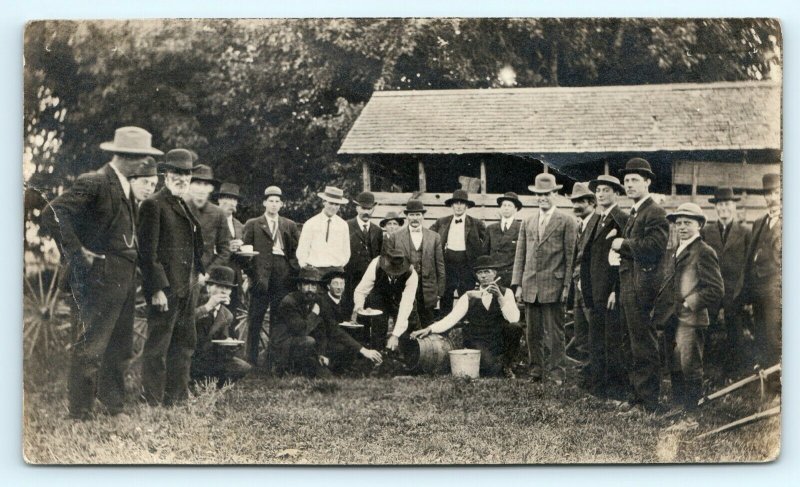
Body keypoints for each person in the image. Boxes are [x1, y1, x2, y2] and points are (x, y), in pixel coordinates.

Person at [47, 126, 163, 419]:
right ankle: (80, 412)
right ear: (124, 156)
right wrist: (78, 253)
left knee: (119, 346)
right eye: (141, 158)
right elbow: (54, 212)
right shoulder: (95, 182)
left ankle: (113, 404)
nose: (144, 164)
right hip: (97, 279)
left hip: (122, 280)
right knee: (91, 345)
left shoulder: (125, 187)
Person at [138, 148, 205, 407]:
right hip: (166, 288)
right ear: (166, 174)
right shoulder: (153, 204)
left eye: (187, 173)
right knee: (158, 345)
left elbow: (192, 243)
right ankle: (152, 400)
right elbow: (147, 253)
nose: (182, 178)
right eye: (177, 172)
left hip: (186, 286)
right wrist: (157, 289)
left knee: (185, 343)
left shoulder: (182, 204)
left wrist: (200, 270)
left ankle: (177, 398)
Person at [610, 158, 669, 413]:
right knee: (630, 344)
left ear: (647, 182)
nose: (629, 184)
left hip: (642, 288)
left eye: (635, 180)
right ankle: (636, 398)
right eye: (626, 181)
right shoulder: (636, 211)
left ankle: (648, 403)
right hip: (629, 286)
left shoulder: (654, 212)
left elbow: (654, 249)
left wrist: (621, 245)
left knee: (643, 345)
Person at [652, 203, 724, 411]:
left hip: (691, 320)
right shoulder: (676, 250)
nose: (682, 227)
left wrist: (688, 303)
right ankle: (678, 407)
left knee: (690, 366)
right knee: (675, 365)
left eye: (688, 222)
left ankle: (691, 413)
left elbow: (715, 289)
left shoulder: (704, 251)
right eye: (678, 223)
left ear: (699, 225)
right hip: (672, 318)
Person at [512, 173, 577, 385]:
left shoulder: (566, 221)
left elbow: (570, 257)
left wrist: (566, 285)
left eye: (547, 194)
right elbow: (520, 255)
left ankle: (557, 374)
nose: (543, 198)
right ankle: (536, 372)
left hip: (554, 285)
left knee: (556, 334)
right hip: (530, 285)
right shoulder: (528, 221)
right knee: (533, 333)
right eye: (539, 195)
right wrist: (518, 284)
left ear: (555, 194)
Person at [412, 256, 522, 378]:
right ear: (476, 276)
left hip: (498, 337)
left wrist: (500, 298)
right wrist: (429, 329)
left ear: (495, 273)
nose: (483, 276)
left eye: (487, 271)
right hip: (477, 338)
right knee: (490, 370)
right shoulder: (468, 296)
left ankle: (508, 363)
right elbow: (451, 318)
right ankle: (494, 365)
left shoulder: (506, 293)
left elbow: (514, 319)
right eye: (480, 272)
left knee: (515, 328)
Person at [272, 268, 382, 377]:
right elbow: (301, 330)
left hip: (309, 346)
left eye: (313, 286)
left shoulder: (317, 300)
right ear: (299, 286)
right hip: (284, 345)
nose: (310, 289)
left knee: (328, 370)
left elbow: (331, 328)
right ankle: (285, 369)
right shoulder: (289, 302)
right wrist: (314, 314)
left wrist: (362, 350)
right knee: (309, 342)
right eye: (306, 285)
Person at [242, 185, 301, 367]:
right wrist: (253, 275)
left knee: (278, 319)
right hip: (261, 278)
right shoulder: (253, 224)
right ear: (264, 203)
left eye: (277, 202)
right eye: (271, 201)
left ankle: (272, 360)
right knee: (255, 319)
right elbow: (245, 252)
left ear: (281, 204)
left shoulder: (289, 225)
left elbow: (296, 252)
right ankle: (250, 361)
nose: (274, 205)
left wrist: (291, 272)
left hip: (282, 279)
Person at [584, 175, 630, 399]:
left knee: (612, 341)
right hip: (594, 288)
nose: (601, 194)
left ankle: (615, 390)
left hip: (610, 291)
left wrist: (616, 289)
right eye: (598, 190)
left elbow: (624, 259)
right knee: (596, 339)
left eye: (606, 190)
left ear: (617, 194)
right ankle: (597, 387)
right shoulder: (595, 219)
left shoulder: (621, 219)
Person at [700, 187, 751, 376]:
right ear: (716, 207)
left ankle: (734, 373)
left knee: (735, 333)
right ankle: (702, 371)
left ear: (734, 206)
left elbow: (748, 264)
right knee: (704, 328)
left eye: (728, 204)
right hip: (711, 289)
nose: (724, 208)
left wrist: (744, 292)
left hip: (734, 291)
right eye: (720, 204)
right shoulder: (706, 231)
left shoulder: (745, 232)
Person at [740, 173, 782, 370]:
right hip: (758, 289)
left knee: (775, 334)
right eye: (767, 193)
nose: (771, 198)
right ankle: (765, 375)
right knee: (761, 333)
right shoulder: (759, 222)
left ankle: (778, 383)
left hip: (777, 290)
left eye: (775, 192)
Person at [383, 199, 445, 326]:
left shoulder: (434, 237)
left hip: (427, 289)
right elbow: (389, 266)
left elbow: (440, 265)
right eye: (411, 215)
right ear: (406, 216)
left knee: (427, 323)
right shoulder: (396, 236)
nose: (415, 218)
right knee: (403, 322)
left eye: (418, 214)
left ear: (423, 216)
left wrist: (440, 291)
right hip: (403, 286)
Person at [190, 266, 252, 387]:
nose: (224, 291)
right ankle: (193, 383)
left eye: (228, 288)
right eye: (218, 286)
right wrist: (208, 306)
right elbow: (185, 321)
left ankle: (210, 386)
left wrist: (229, 344)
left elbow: (222, 344)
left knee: (242, 367)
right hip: (190, 355)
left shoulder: (227, 314)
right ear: (208, 287)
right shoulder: (196, 302)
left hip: (210, 357)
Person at [351, 248, 421, 352]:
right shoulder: (376, 264)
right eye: (390, 271)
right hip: (380, 297)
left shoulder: (412, 274)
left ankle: (406, 359)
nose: (393, 275)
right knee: (378, 329)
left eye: (397, 272)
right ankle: (378, 358)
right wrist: (359, 307)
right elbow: (361, 291)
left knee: (410, 330)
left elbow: (406, 306)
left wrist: (395, 335)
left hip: (402, 300)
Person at [430, 189, 486, 316]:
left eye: (462, 203)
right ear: (452, 205)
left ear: (466, 206)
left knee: (466, 294)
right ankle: (445, 324)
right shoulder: (442, 222)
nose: (459, 206)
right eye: (456, 203)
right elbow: (429, 236)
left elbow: (486, 242)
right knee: (446, 294)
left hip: (467, 264)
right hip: (448, 264)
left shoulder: (476, 223)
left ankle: (466, 323)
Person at [318, 268, 384, 372]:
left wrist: (363, 313)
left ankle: (363, 365)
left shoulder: (344, 300)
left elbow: (349, 318)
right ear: (328, 286)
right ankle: (333, 365)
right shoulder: (323, 302)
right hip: (326, 341)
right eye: (335, 284)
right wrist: (362, 350)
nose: (339, 287)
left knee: (363, 341)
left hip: (340, 337)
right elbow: (334, 330)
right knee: (347, 348)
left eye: (342, 284)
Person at [566, 183, 599, 363]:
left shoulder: (600, 223)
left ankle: (597, 375)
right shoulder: (580, 225)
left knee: (595, 332)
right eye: (573, 202)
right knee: (581, 333)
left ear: (592, 203)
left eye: (581, 202)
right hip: (578, 286)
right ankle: (586, 374)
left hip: (592, 287)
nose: (575, 206)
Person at [183, 164, 231, 275]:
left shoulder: (218, 214)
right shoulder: (180, 209)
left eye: (205, 184)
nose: (201, 189)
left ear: (211, 188)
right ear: (190, 186)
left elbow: (224, 250)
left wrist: (208, 272)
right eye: (198, 184)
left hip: (204, 278)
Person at [296, 185, 351, 275]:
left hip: (336, 271)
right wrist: (306, 267)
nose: (333, 207)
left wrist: (339, 265)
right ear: (324, 202)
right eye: (331, 203)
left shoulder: (343, 225)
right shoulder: (311, 223)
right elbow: (302, 249)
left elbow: (346, 251)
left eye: (337, 204)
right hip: (314, 270)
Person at [344, 192, 383, 314]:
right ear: (356, 208)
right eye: (363, 208)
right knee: (350, 311)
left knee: (368, 312)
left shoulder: (377, 230)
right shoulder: (346, 226)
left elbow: (379, 256)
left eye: (369, 209)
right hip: (350, 279)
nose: (366, 212)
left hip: (370, 280)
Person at [214, 182, 247, 312]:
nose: (232, 203)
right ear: (219, 200)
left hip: (234, 276)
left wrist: (241, 249)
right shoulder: (211, 221)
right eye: (228, 198)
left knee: (232, 312)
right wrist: (227, 248)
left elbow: (243, 259)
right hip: (216, 274)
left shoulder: (239, 225)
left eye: (234, 199)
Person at [482, 191, 523, 288]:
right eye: (504, 205)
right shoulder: (491, 229)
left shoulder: (521, 228)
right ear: (500, 208)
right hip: (494, 276)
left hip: (511, 276)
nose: (506, 208)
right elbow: (485, 253)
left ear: (516, 209)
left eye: (509, 205)